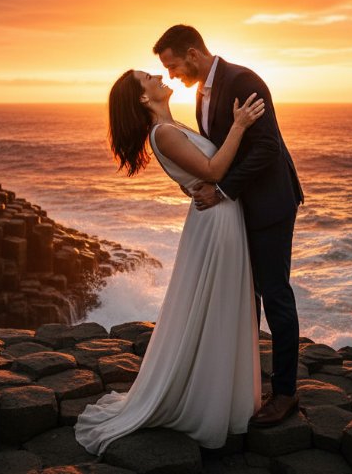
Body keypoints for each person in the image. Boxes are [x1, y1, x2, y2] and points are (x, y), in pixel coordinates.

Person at [74, 68, 265, 454]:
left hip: (216, 216)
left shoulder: (171, 127)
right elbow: (213, 170)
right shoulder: (162, 133)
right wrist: (240, 125)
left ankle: (218, 392)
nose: (159, 75)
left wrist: (196, 182)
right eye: (149, 77)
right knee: (218, 305)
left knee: (218, 306)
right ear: (144, 99)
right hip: (216, 222)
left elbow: (191, 179)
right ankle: (207, 400)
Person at [153, 25, 304, 427]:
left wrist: (220, 188)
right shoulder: (201, 92)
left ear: (193, 53)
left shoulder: (243, 80)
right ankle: (244, 385)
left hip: (269, 205)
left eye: (172, 65)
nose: (171, 76)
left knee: (274, 295)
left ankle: (286, 393)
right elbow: (220, 150)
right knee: (244, 298)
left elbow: (267, 147)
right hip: (240, 207)